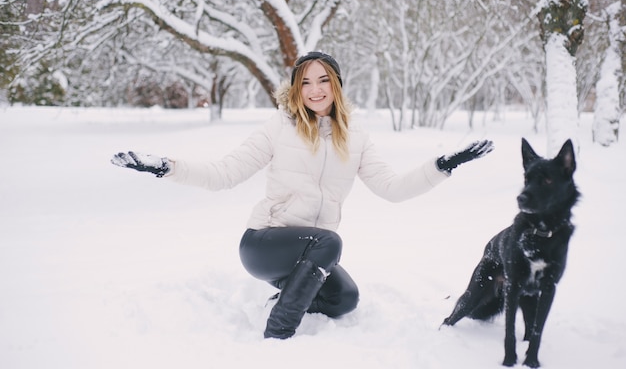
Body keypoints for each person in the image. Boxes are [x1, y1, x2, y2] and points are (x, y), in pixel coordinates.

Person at [111, 51, 494, 340]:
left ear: (336, 85)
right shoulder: (279, 127)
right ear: (296, 88)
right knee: (329, 241)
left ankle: (284, 299)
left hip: (312, 253)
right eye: (305, 82)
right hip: (264, 243)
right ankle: (278, 333)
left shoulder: (355, 137)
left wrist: (444, 165)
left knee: (345, 299)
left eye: (323, 80)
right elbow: (223, 174)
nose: (314, 90)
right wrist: (166, 166)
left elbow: (391, 189)